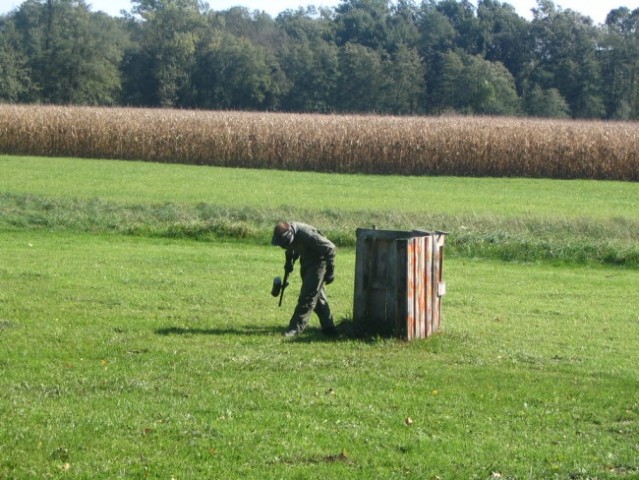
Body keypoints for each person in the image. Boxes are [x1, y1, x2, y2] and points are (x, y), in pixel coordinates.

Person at [271, 221, 337, 337]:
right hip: (306, 261)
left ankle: (295, 329)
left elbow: (330, 248)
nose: (283, 246)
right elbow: (291, 247)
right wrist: (289, 262)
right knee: (318, 297)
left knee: (307, 297)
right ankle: (329, 328)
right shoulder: (290, 233)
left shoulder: (307, 234)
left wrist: (330, 271)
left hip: (319, 262)